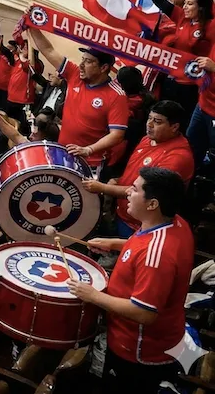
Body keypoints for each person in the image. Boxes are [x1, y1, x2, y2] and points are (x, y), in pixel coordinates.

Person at [66, 168, 193, 394]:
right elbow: (146, 245)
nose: (127, 194)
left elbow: (145, 313)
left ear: (152, 204)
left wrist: (93, 295)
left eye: (134, 190)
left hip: (138, 351)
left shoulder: (158, 255)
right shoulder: (173, 222)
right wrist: (115, 243)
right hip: (139, 340)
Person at [85, 101, 194, 236]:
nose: (149, 124)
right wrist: (119, 180)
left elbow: (148, 193)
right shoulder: (148, 139)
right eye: (149, 118)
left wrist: (102, 188)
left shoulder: (177, 157)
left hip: (139, 227)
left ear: (175, 127)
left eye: (157, 122)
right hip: (122, 213)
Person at [29, 31, 128, 171]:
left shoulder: (116, 95)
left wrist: (88, 149)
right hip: (62, 153)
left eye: (88, 61)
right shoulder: (75, 74)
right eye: (82, 59)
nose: (81, 65)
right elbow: (48, 50)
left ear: (103, 68)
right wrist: (34, 26)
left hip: (89, 162)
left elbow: (117, 135)